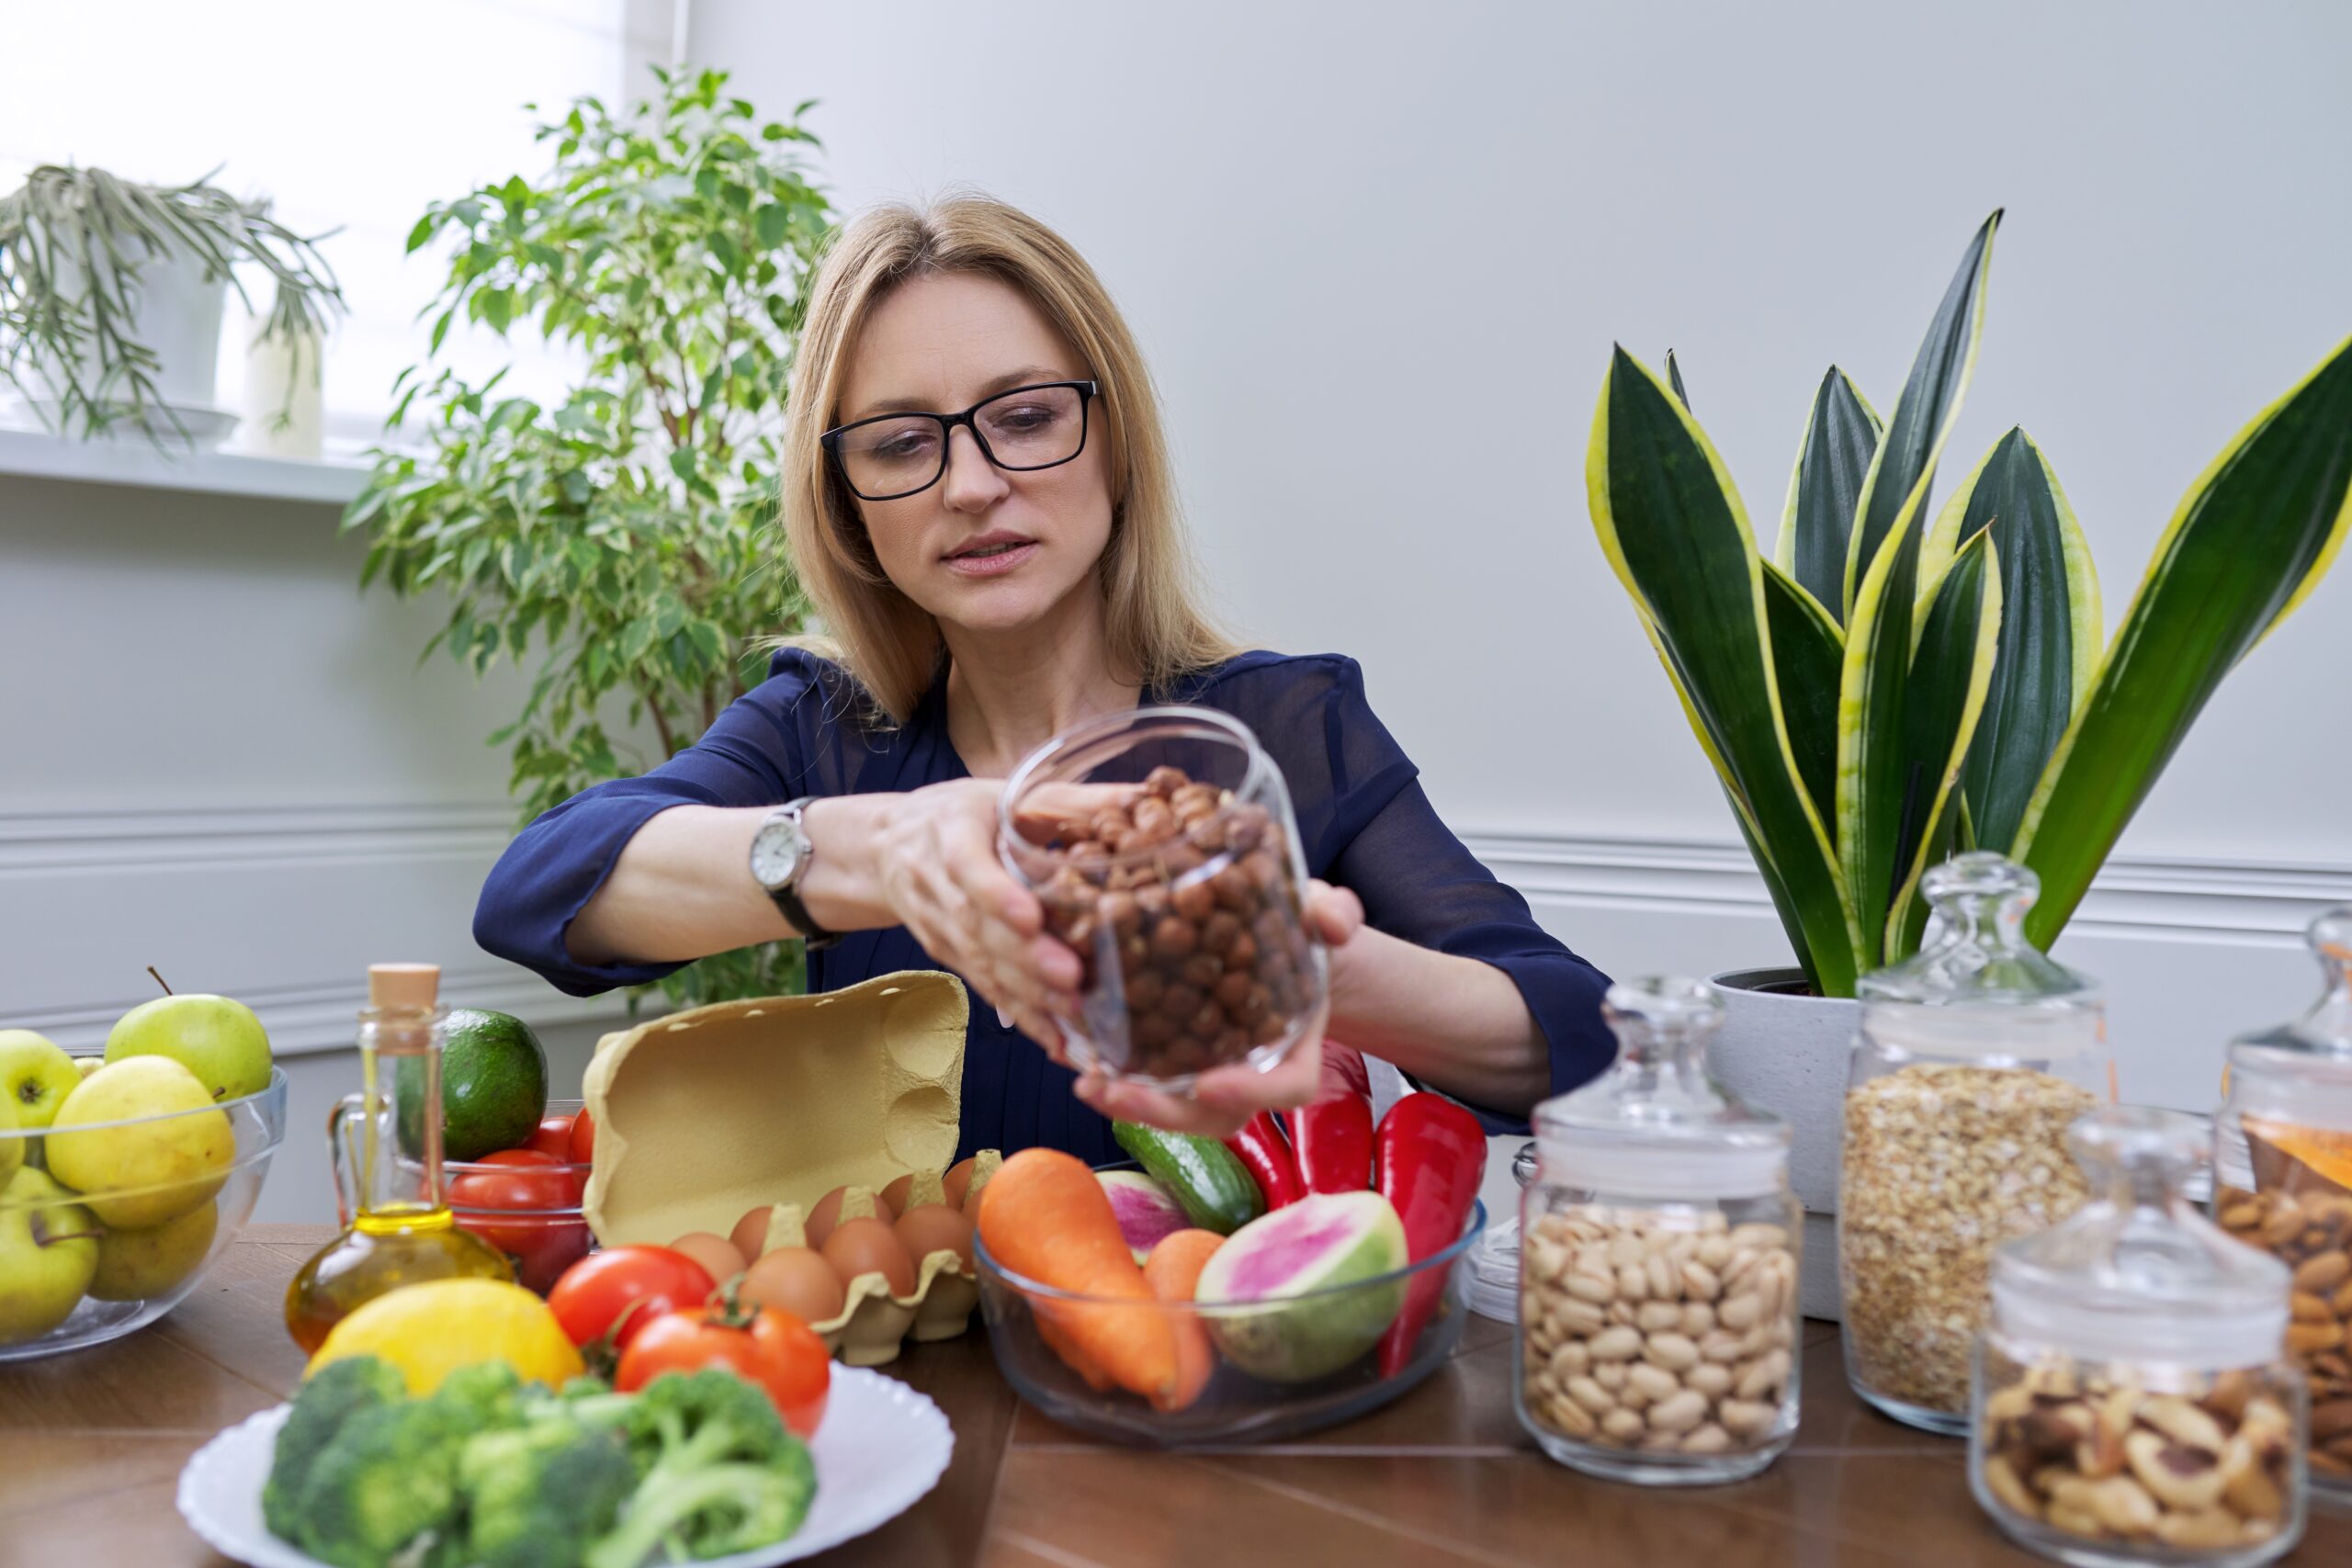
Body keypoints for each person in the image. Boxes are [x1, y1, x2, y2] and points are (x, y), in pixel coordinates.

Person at [473, 194, 1612, 1161]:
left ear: (1115, 442)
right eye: (901, 443)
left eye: (1023, 418)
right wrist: (880, 848)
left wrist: (1289, 967)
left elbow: (1580, 1038)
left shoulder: (1287, 726)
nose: (970, 485)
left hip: (1211, 1363)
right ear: (851, 508)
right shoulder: (826, 730)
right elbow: (536, 891)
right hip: (918, 1382)